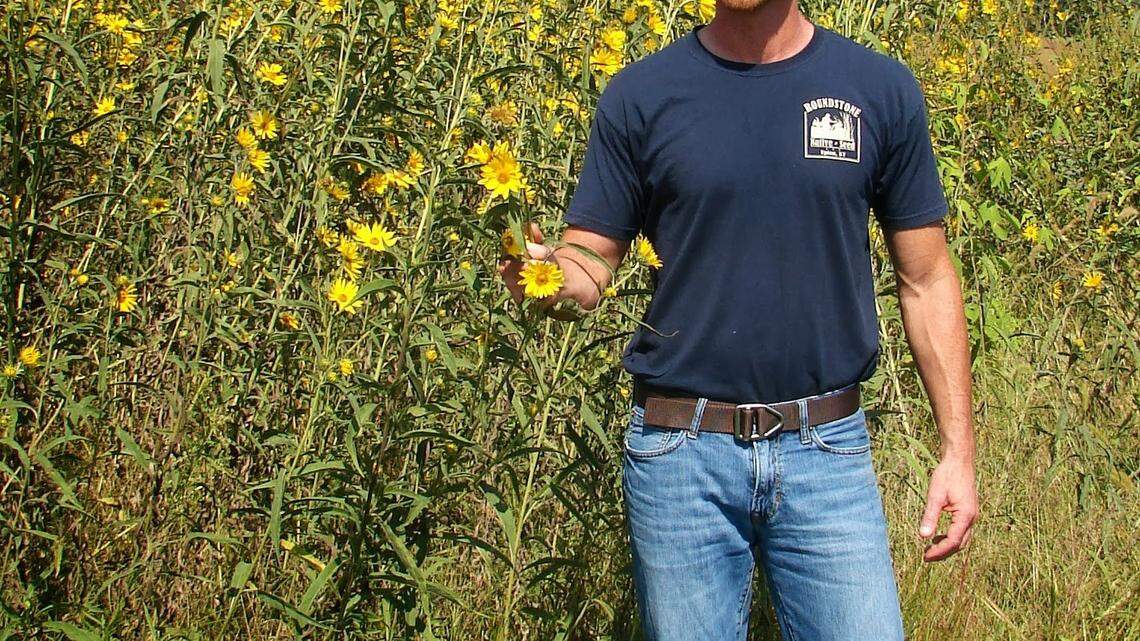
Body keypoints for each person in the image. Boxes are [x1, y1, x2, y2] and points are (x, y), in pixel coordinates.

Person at [497, 1, 978, 639]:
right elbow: (593, 264)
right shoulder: (641, 94)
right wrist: (548, 275)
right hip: (679, 455)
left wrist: (957, 452)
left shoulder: (877, 88)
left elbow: (927, 278)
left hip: (828, 453)